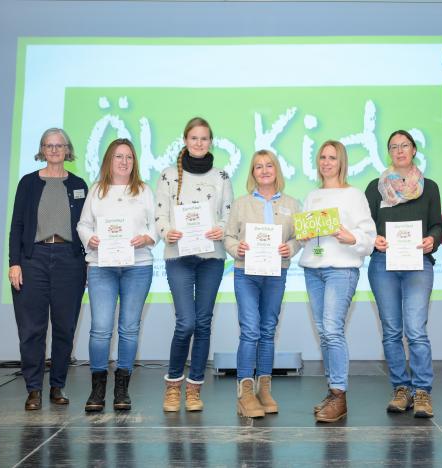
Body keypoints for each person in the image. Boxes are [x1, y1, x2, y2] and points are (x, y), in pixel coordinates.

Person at [156, 117, 233, 412]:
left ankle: (194, 389)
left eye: (204, 138)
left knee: (203, 323)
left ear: (210, 142)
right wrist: (167, 232)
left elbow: (229, 214)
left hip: (211, 257)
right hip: (178, 256)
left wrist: (221, 229)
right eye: (194, 138)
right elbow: (160, 215)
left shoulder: (222, 177)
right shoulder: (167, 176)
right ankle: (173, 384)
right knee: (185, 322)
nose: (199, 143)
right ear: (185, 141)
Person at [365, 130, 442, 418]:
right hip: (383, 264)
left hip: (418, 264)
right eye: (394, 147)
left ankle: (422, 391)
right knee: (391, 331)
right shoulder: (375, 187)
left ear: (414, 150)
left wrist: (431, 240)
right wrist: (374, 238)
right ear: (389, 153)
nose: (400, 151)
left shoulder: (430, 187)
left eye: (405, 146)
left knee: (416, 330)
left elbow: (438, 225)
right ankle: (401, 388)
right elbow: (367, 225)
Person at [9, 128, 88, 411]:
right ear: (42, 150)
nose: (54, 150)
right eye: (48, 145)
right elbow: (17, 225)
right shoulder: (28, 183)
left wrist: (89, 264)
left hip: (70, 260)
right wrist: (14, 263)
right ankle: (33, 390)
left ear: (68, 150)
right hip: (34, 259)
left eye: (59, 145)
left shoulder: (79, 184)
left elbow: (87, 229)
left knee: (65, 328)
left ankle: (57, 386)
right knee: (32, 329)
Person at [77, 138, 158, 412]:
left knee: (129, 328)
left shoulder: (145, 191)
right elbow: (83, 224)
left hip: (138, 266)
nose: (124, 162)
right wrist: (91, 239)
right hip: (102, 267)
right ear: (109, 160)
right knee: (100, 329)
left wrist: (148, 237)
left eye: (129, 157)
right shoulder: (97, 190)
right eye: (118, 156)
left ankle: (122, 388)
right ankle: (97, 387)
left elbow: (156, 225)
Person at [299, 140, 377, 423]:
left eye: (332, 157)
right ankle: (333, 393)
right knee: (324, 332)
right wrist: (302, 236)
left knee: (332, 330)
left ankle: (340, 395)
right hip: (313, 269)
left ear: (341, 161)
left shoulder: (354, 195)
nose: (326, 162)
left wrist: (352, 237)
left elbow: (368, 237)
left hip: (341, 270)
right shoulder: (312, 196)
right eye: (322, 157)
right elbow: (304, 234)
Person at [224, 149, 301, 418]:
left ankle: (264, 388)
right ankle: (245, 391)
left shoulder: (292, 203)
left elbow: (299, 237)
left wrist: (290, 247)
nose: (265, 170)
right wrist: (237, 248)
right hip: (246, 273)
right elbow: (228, 237)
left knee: (268, 330)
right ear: (253, 173)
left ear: (276, 170)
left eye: (269, 166)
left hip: (276, 272)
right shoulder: (240, 203)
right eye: (259, 166)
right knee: (250, 330)